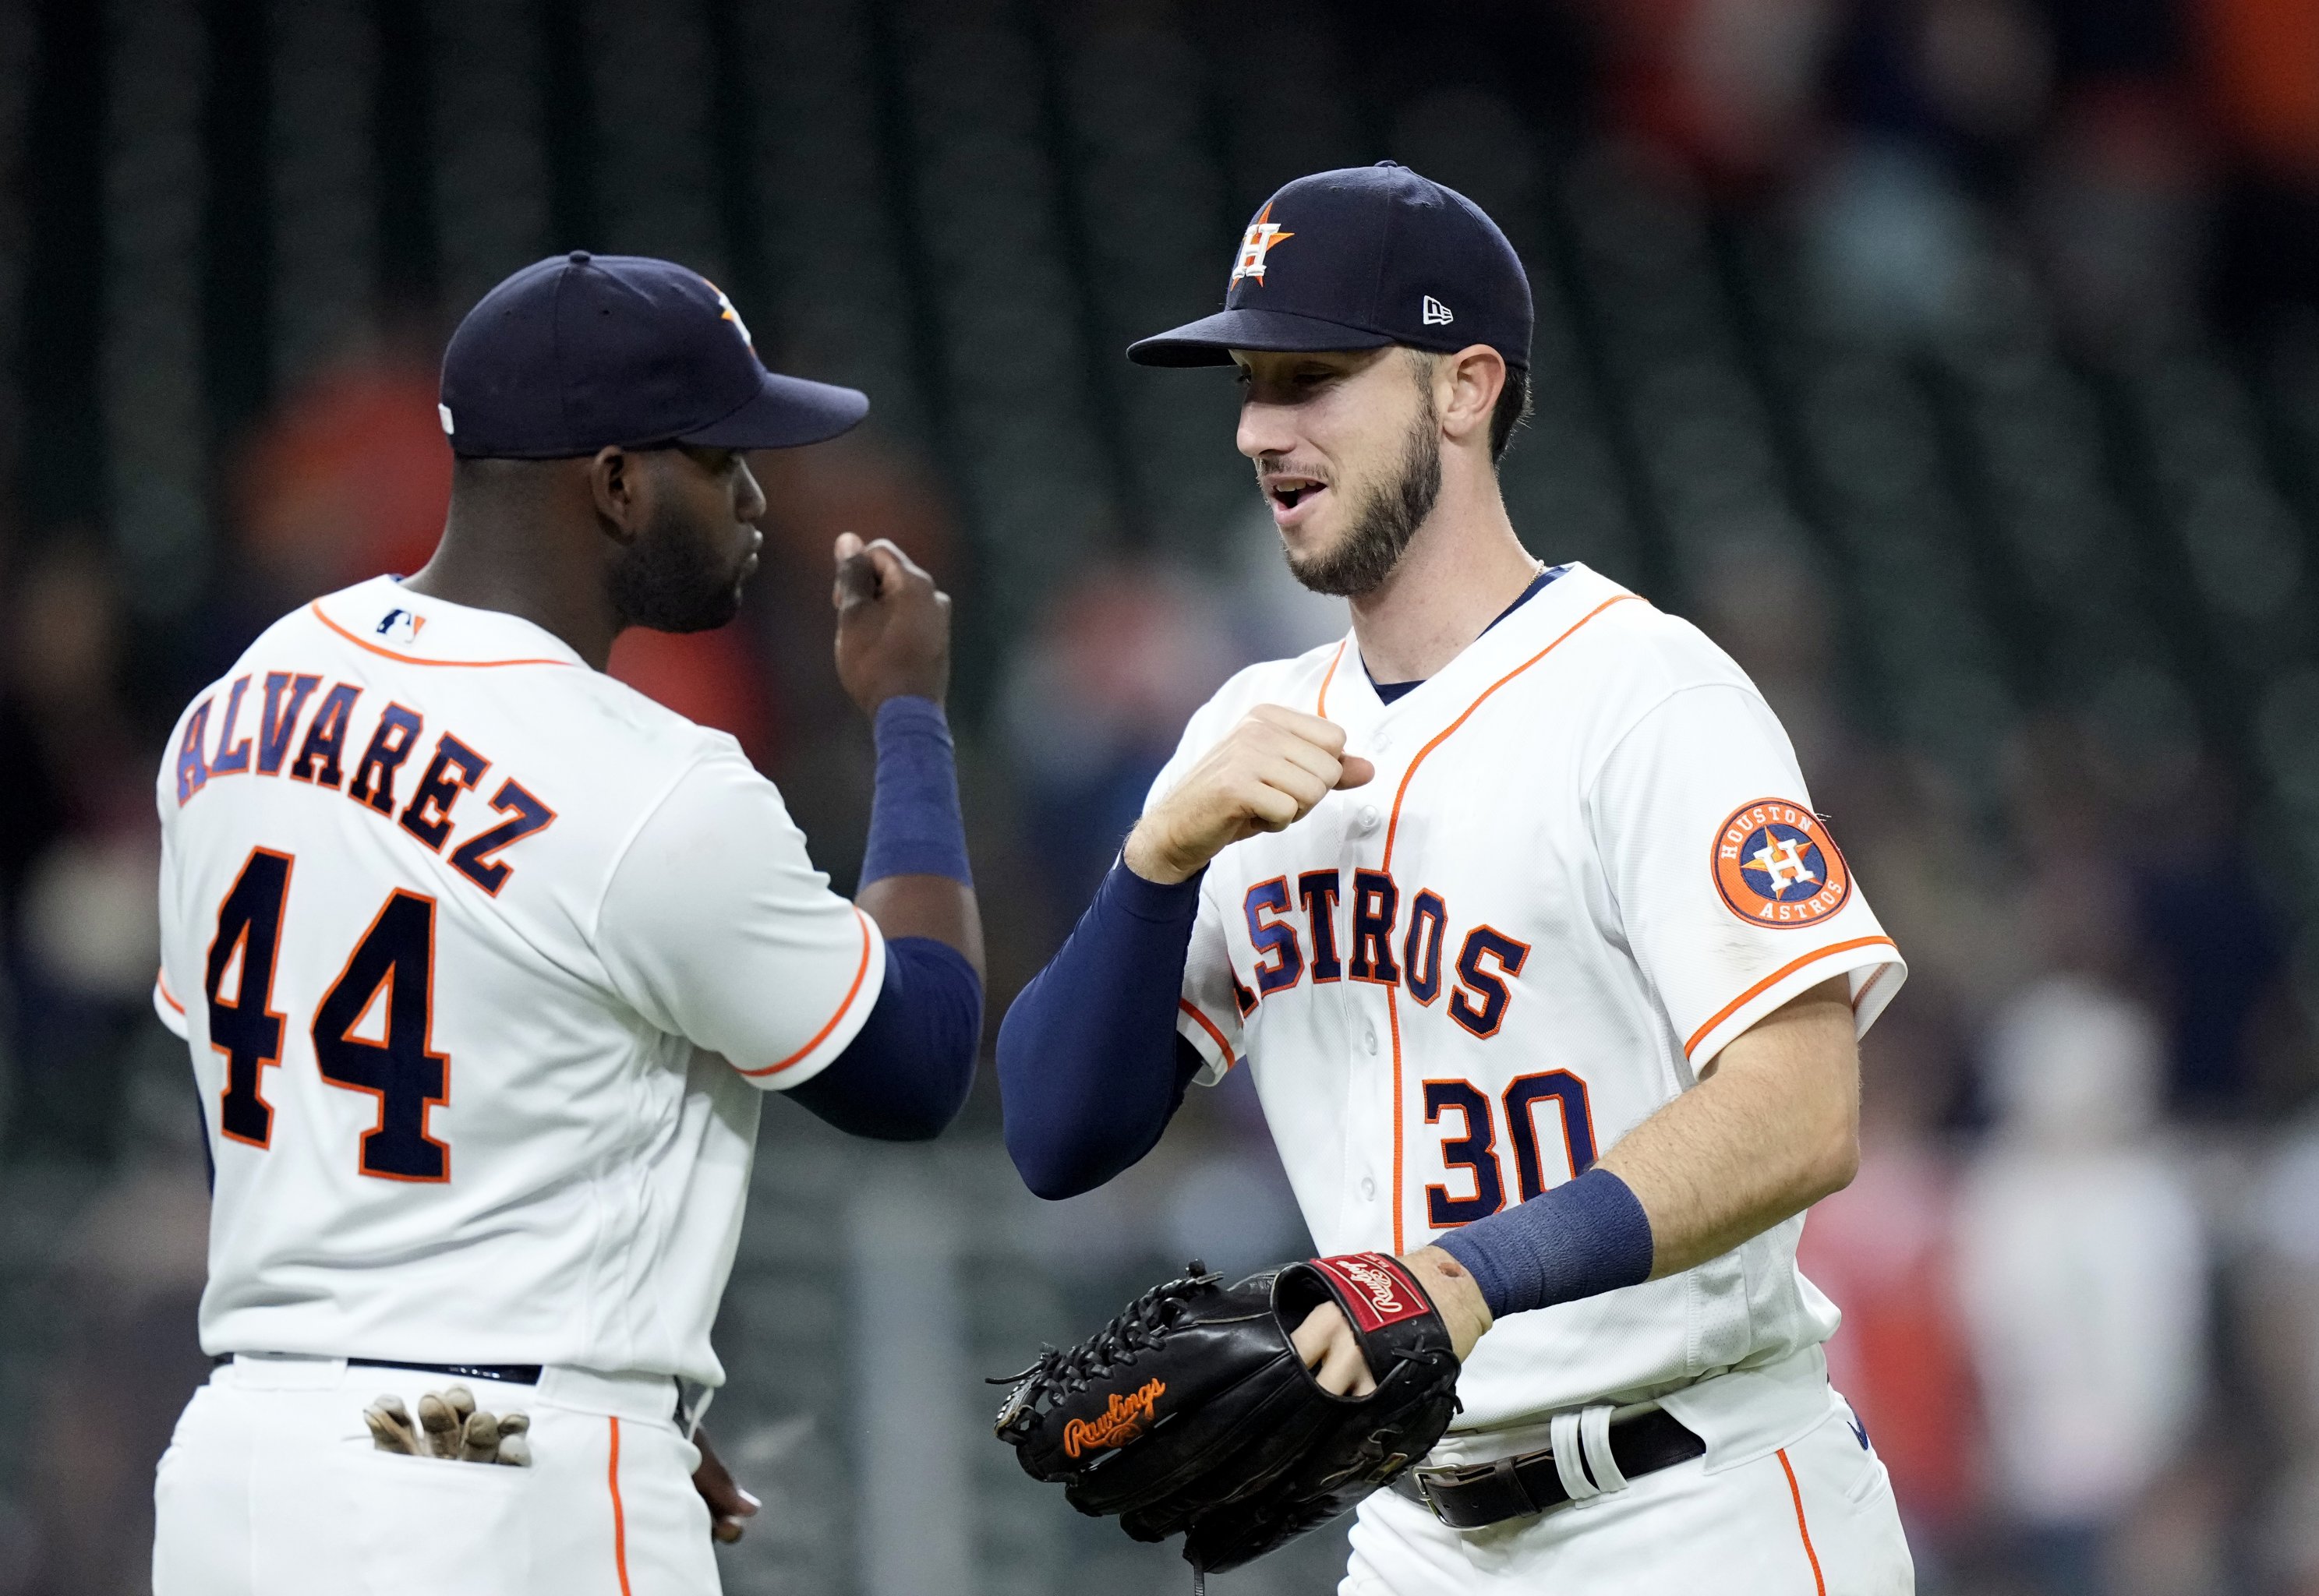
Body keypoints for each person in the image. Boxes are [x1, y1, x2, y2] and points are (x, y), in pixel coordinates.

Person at [997, 164, 1914, 1594]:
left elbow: (1803, 1110)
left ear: (1464, 387)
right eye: (1248, 383)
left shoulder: (1647, 695)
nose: (1259, 428)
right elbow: (1056, 1136)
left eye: (1312, 376)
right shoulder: (1250, 732)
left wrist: (1474, 1274)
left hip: (1697, 1504)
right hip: (1420, 1530)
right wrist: (1153, 864)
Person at [149, 252, 983, 1594]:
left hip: (243, 1468)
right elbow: (918, 1058)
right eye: (723, 461)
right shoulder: (654, 782)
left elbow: (242, 1129)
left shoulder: (241, 703)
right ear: (614, 483)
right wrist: (908, 713)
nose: (759, 499)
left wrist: (607, 1393)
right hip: (494, 1501)